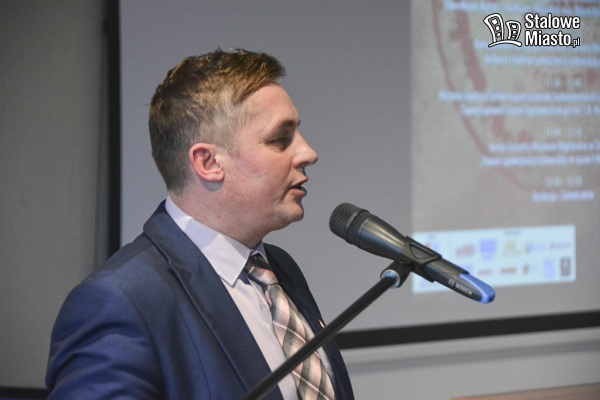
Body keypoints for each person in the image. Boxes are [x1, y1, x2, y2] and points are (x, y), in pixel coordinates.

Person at [45, 48, 354, 399]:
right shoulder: (120, 300)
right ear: (208, 163)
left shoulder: (280, 269)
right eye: (280, 139)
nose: (308, 153)